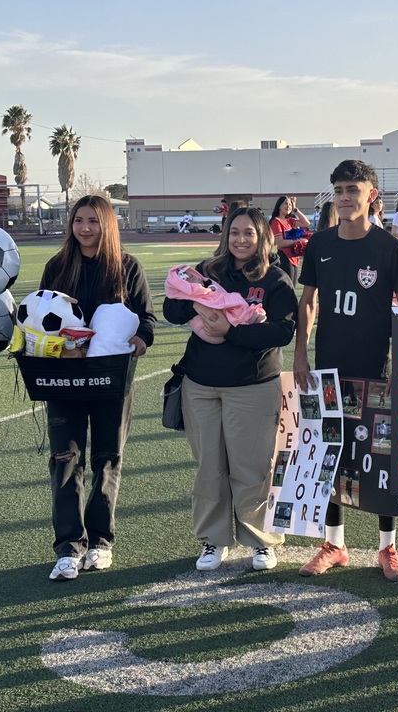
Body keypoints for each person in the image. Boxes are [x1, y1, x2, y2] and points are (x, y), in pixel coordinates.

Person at [293, 159, 398, 581]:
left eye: (353, 190)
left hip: (375, 370)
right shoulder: (320, 243)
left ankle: (387, 547)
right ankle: (334, 544)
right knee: (328, 457)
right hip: (327, 370)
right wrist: (300, 354)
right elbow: (308, 302)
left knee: (378, 458)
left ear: (371, 195)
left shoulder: (389, 248)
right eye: (339, 190)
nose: (345, 198)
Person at [164, 207, 297, 572]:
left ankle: (261, 541)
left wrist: (230, 331)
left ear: (262, 238)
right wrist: (194, 299)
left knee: (251, 467)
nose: (240, 240)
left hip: (253, 387)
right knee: (209, 467)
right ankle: (212, 539)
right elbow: (171, 311)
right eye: (234, 232)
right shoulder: (207, 271)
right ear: (226, 235)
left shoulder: (275, 280)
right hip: (201, 385)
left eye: (249, 233)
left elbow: (283, 331)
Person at [41, 195, 156, 581]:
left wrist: (139, 340)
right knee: (65, 461)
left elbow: (147, 321)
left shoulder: (127, 268)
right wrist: (60, 347)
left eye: (93, 220)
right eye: (78, 220)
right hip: (64, 382)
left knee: (107, 457)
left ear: (107, 225)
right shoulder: (57, 267)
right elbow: (39, 324)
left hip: (111, 379)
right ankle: (68, 548)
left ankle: (101, 543)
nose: (85, 228)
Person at [270, 195, 311, 284]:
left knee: (293, 286)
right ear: (279, 206)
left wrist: (295, 209)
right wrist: (298, 241)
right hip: (284, 257)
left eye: (290, 204)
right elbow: (280, 243)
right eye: (285, 204)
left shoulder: (290, 220)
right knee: (287, 287)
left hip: (294, 258)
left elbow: (306, 223)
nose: (288, 206)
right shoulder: (276, 221)